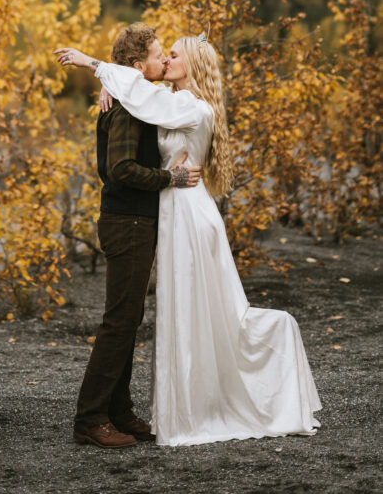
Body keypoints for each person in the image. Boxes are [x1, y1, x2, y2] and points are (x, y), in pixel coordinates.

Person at [55, 34, 321, 446]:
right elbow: (137, 104)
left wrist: (97, 68)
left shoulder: (191, 108)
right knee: (153, 314)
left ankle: (191, 407)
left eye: (173, 55)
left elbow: (145, 95)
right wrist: (112, 83)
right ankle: (112, 414)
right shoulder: (153, 99)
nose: (166, 60)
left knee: (186, 311)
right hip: (165, 211)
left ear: (192, 66)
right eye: (162, 55)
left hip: (189, 214)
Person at [72, 24, 201, 450]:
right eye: (159, 54)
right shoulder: (128, 107)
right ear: (136, 66)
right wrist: (172, 177)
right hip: (126, 220)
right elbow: (120, 169)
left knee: (128, 320)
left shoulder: (137, 100)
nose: (165, 60)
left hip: (134, 220)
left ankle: (119, 410)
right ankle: (90, 418)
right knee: (120, 321)